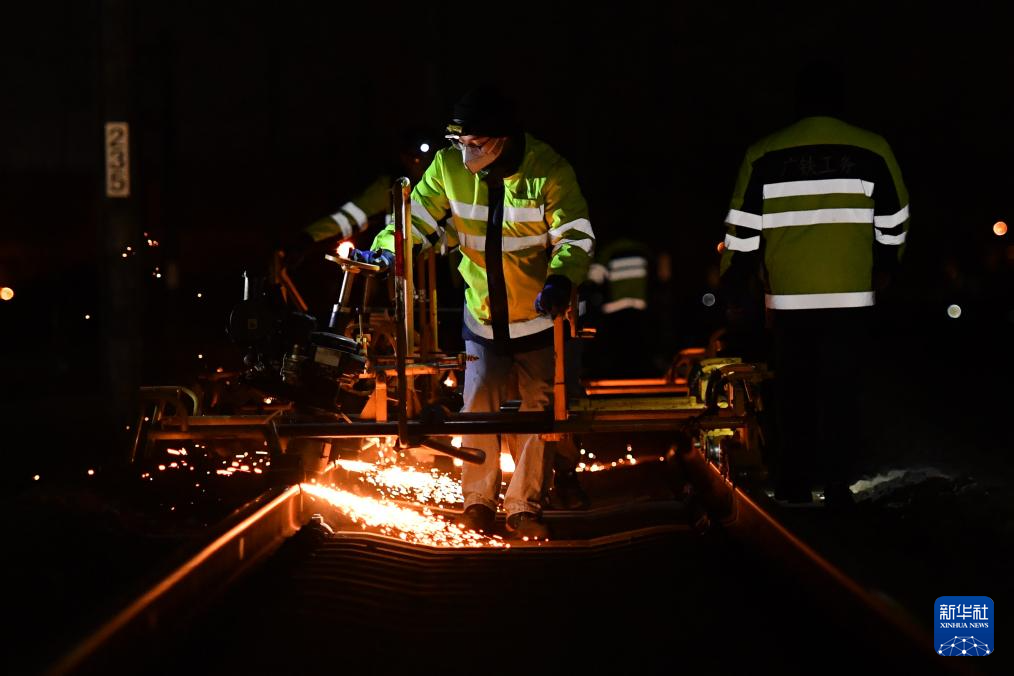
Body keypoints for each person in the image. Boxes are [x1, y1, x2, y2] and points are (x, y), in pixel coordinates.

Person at [352, 85, 594, 538]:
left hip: (540, 318)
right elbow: (416, 220)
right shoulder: (447, 168)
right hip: (481, 316)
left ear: (503, 139)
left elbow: (575, 237)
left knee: (536, 415)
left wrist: (561, 279)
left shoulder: (549, 170)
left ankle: (523, 506)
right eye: (460, 144)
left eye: (475, 145)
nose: (466, 154)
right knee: (477, 408)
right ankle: (478, 502)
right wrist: (388, 252)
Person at [719, 60, 910, 507]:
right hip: (852, 295)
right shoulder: (872, 147)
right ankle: (840, 484)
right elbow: (895, 220)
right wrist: (885, 264)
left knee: (794, 393)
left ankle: (794, 485)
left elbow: (743, 228)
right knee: (841, 391)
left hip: (790, 299)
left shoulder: (764, 153)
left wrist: (735, 279)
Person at [585, 236, 655, 378]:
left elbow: (594, 279)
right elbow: (657, 277)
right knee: (638, 351)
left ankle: (619, 379)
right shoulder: (643, 250)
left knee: (618, 352)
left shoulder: (609, 251)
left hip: (615, 310)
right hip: (639, 308)